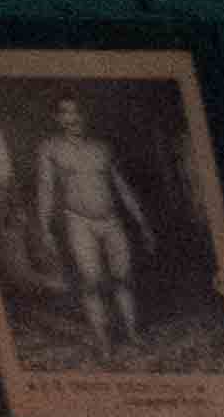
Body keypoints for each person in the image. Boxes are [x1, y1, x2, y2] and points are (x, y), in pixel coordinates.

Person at [22, 92, 147, 360]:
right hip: (78, 221)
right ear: (57, 118)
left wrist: (142, 222)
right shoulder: (50, 147)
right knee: (91, 282)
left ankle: (133, 333)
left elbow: (122, 188)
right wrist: (44, 229)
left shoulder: (102, 148)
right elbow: (45, 189)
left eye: (76, 112)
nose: (72, 118)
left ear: (84, 115)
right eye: (66, 113)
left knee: (123, 278)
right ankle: (103, 343)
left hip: (111, 220)